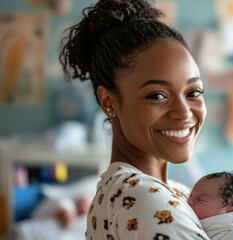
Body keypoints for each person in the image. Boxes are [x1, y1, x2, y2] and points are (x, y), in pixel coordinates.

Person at [59, 0, 209, 239]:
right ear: (109, 102)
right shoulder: (151, 203)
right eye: (157, 95)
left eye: (193, 93)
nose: (184, 112)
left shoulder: (127, 191)